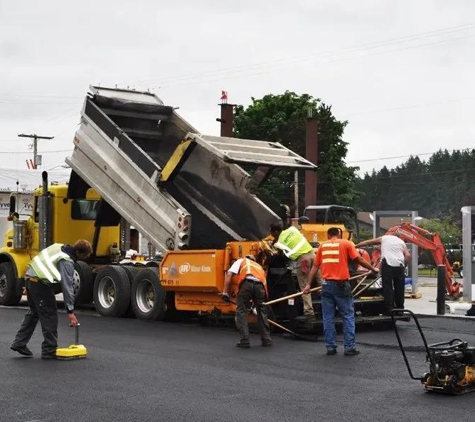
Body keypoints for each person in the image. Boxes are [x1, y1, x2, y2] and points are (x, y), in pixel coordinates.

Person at [10, 240, 93, 359]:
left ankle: (19, 343)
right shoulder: (66, 261)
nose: (85, 258)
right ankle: (49, 349)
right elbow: (67, 285)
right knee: (49, 315)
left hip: (30, 280)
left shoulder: (57, 247)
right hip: (40, 284)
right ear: (78, 252)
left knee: (34, 313)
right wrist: (70, 310)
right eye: (85, 255)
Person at [303, 227, 378, 356]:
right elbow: (358, 259)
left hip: (326, 285)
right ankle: (349, 347)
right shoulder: (346, 243)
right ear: (339, 234)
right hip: (341, 285)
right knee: (348, 315)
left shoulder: (322, 246)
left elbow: (315, 266)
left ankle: (330, 347)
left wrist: (308, 285)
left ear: (327, 235)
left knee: (328, 317)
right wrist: (373, 269)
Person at [222, 255, 272, 348]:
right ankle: (266, 339)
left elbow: (229, 275)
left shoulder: (241, 261)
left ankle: (244, 340)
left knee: (241, 311)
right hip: (260, 287)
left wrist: (225, 292)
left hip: (247, 284)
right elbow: (263, 282)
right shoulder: (258, 266)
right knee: (262, 312)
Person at [269, 221, 315, 319]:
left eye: (272, 233)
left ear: (276, 232)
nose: (271, 235)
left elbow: (279, 254)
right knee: (321, 283)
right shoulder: (292, 229)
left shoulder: (279, 242)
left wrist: (271, 251)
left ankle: (309, 313)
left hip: (303, 260)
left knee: (304, 286)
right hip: (313, 255)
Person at [356, 234, 410, 314]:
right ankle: (400, 309)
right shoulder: (401, 242)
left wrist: (355, 245)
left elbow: (369, 242)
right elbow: (408, 255)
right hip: (400, 265)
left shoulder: (384, 238)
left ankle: (390, 308)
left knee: (387, 286)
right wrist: (403, 266)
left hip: (388, 264)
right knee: (399, 288)